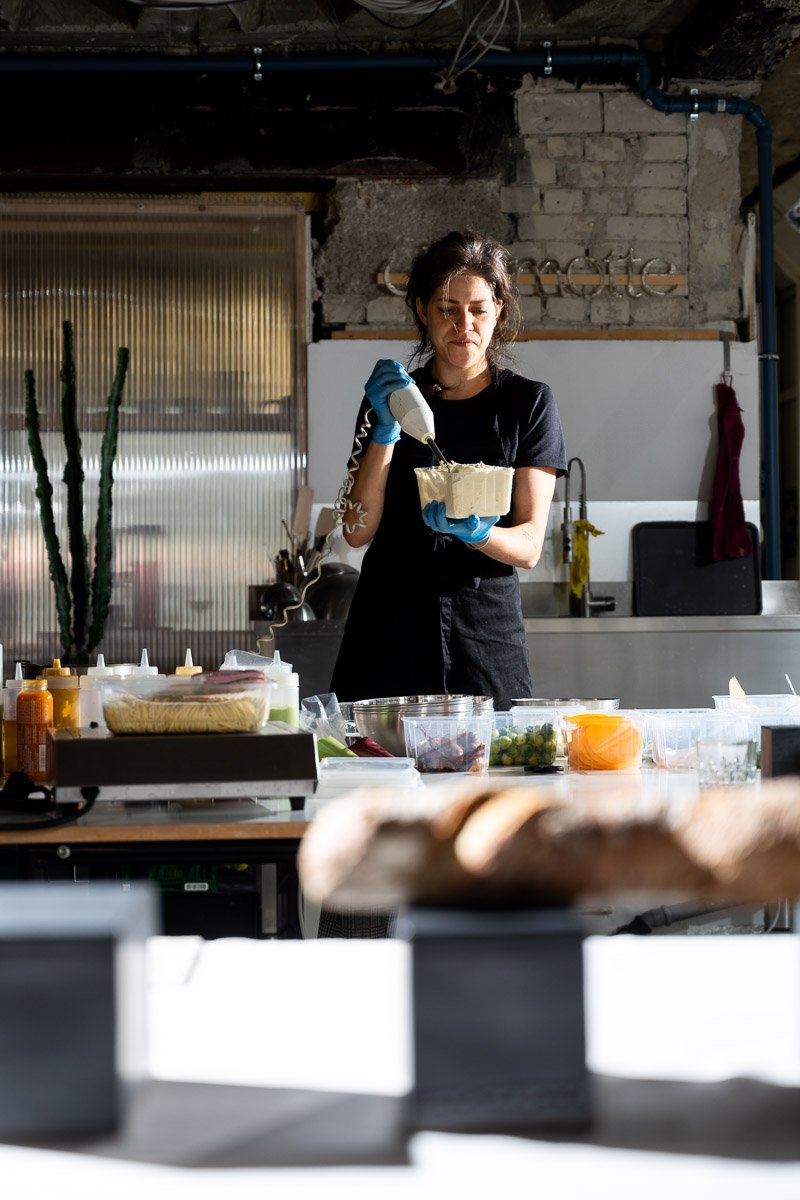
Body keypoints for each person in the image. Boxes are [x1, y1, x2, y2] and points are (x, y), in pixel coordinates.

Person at [329, 228, 567, 711]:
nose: (464, 325)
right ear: (422, 310)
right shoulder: (390, 399)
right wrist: (384, 432)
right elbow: (356, 532)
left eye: (478, 309)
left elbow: (527, 546)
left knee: (491, 778)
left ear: (498, 310)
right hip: (387, 631)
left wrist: (478, 534)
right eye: (446, 308)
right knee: (379, 777)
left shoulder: (527, 404)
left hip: (484, 638)